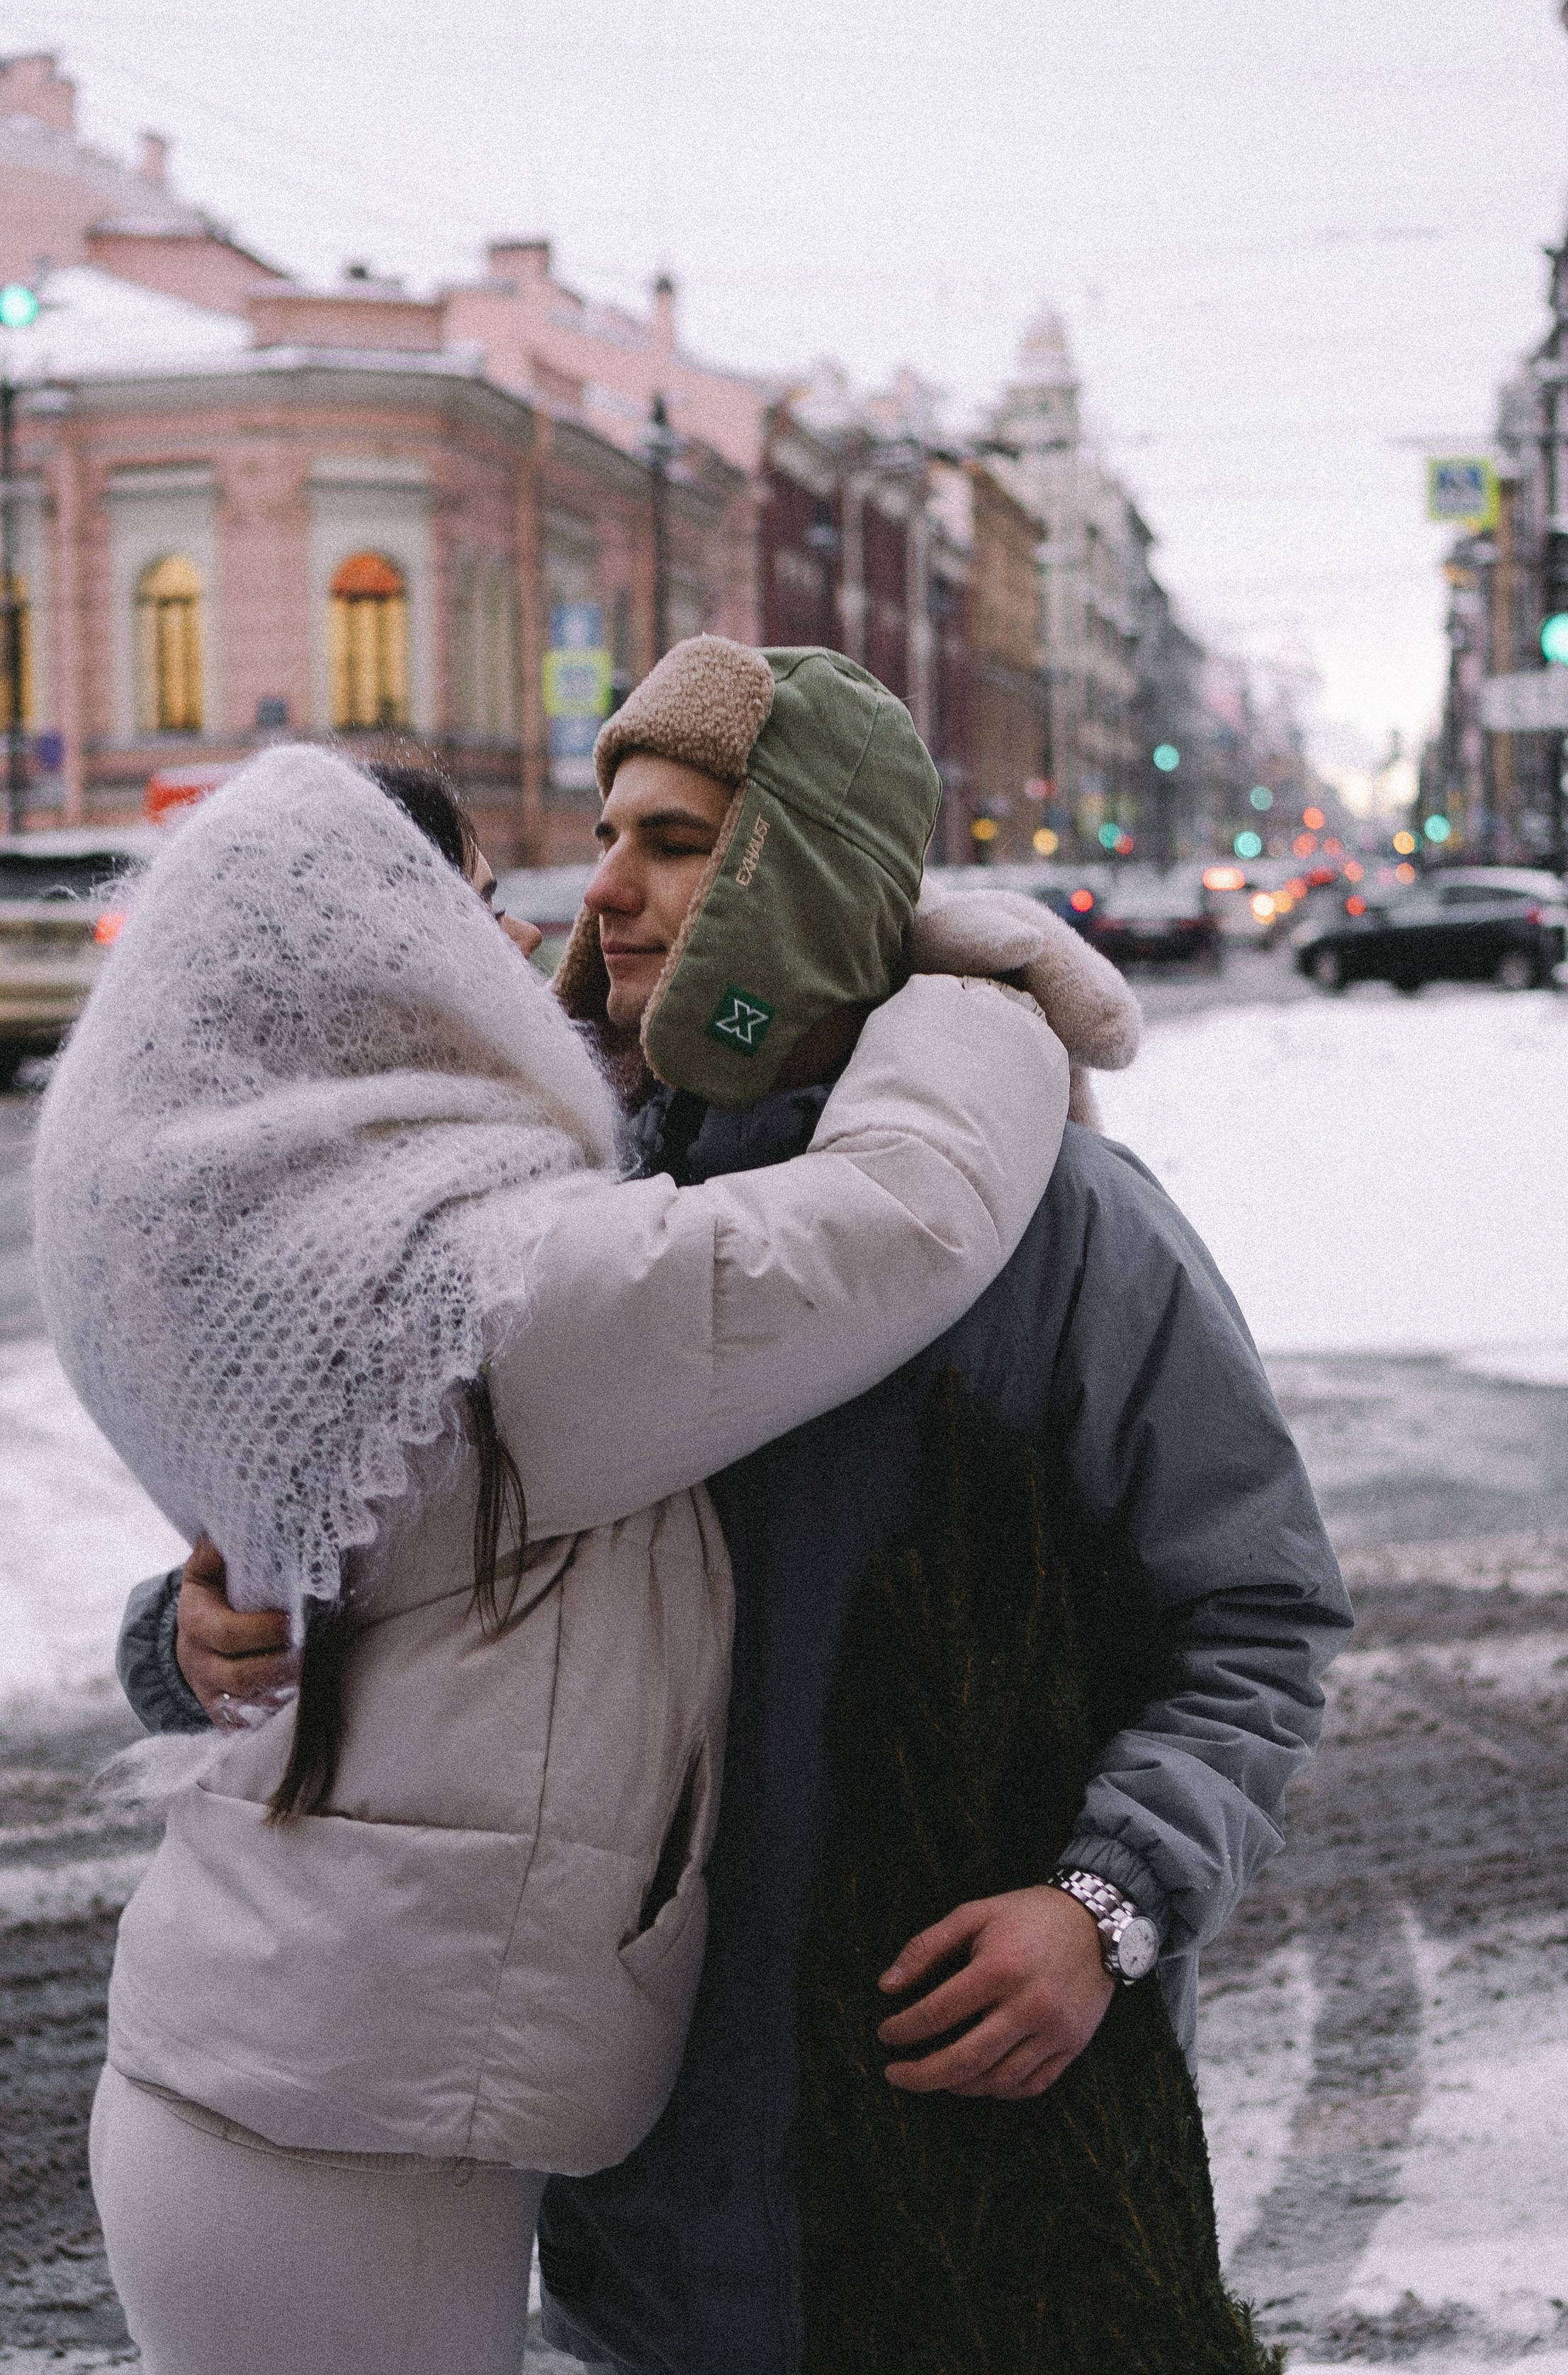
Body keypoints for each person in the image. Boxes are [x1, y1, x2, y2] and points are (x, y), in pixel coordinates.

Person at [145, 643, 1351, 2375]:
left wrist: (1102, 1902)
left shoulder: (1061, 1225)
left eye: (674, 840)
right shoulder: (555, 1216)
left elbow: (1250, 1610)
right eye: (607, 836)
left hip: (979, 2185)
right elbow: (331, 1568)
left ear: (801, 873)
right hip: (644, 2207)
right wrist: (195, 1626)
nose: (606, 892)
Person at [49, 732, 1071, 2375]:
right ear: (372, 959)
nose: (531, 945)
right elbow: (898, 1214)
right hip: (342, 2137)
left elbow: (335, 1579)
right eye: (470, 915)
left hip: (274, 2060)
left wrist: (175, 1640)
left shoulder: (271, 1216)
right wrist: (965, 993)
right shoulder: (473, 1284)